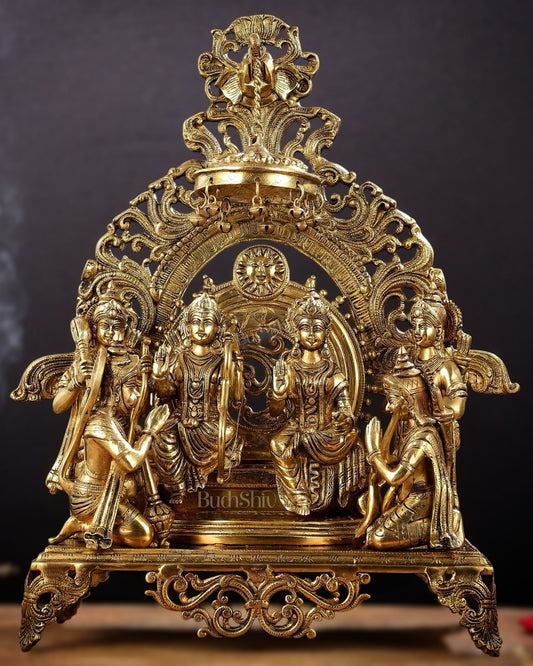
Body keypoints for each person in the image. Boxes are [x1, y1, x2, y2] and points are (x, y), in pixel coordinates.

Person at [49, 284, 169, 549]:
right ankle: (89, 526)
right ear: (93, 330)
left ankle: (98, 522)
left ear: (127, 329)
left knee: (159, 457)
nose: (114, 333)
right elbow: (58, 405)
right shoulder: (86, 362)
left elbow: (136, 404)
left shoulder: (133, 362)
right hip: (100, 437)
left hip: (125, 434)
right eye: (106, 326)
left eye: (119, 326)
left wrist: (148, 381)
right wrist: (76, 382)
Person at [269, 277, 364, 515]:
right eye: (305, 328)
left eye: (317, 328)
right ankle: (299, 494)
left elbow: (346, 410)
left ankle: (353, 501)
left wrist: (344, 419)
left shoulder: (332, 371)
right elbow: (275, 412)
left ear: (326, 332)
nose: (311, 334)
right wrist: (278, 393)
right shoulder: (289, 367)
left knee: (355, 443)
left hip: (326, 429)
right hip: (298, 426)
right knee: (277, 444)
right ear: (296, 332)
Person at [151, 276, 244, 504]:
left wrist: (235, 361)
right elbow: (166, 393)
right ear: (187, 326)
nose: (201, 328)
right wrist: (159, 376)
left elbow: (236, 397)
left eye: (207, 322)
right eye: (196, 322)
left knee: (227, 433)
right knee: (161, 435)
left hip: (211, 423)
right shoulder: (179, 358)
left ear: (218, 327)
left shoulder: (221, 359)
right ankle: (177, 486)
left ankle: (199, 475)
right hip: (180, 419)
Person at [364, 347, 464, 550]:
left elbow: (394, 478)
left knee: (378, 539)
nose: (387, 408)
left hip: (420, 500)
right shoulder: (408, 430)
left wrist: (373, 454)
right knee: (371, 531)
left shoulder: (424, 436)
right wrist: (390, 428)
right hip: (406, 496)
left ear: (408, 402)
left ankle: (442, 526)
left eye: (392, 401)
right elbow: (389, 463)